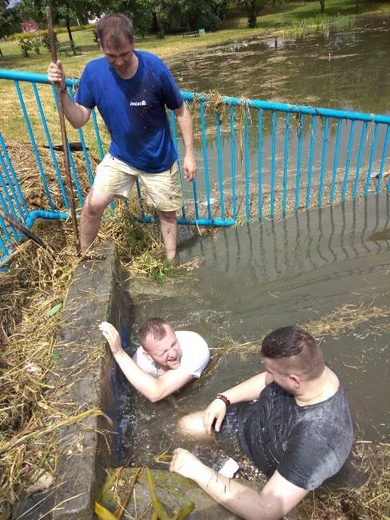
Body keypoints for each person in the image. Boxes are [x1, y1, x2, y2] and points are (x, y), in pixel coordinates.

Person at [47, 13, 196, 262]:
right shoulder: (94, 72)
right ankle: (84, 260)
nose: (118, 61)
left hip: (157, 158)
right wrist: (62, 90)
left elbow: (181, 109)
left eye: (124, 54)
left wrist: (190, 153)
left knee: (167, 214)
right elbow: (78, 118)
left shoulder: (155, 68)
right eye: (111, 55)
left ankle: (171, 262)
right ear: (101, 47)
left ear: (133, 42)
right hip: (121, 155)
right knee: (92, 206)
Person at [169, 326, 353, 520]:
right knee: (185, 425)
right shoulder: (312, 371)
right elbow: (267, 381)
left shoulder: (317, 441)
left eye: (271, 371)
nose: (268, 375)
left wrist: (197, 471)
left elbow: (266, 511)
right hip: (250, 421)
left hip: (262, 462)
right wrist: (224, 399)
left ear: (294, 381)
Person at [99, 318, 209, 402]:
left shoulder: (196, 348)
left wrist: (119, 353)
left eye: (174, 344)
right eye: (164, 352)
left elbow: (156, 393)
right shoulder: (140, 361)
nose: (173, 353)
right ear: (148, 356)